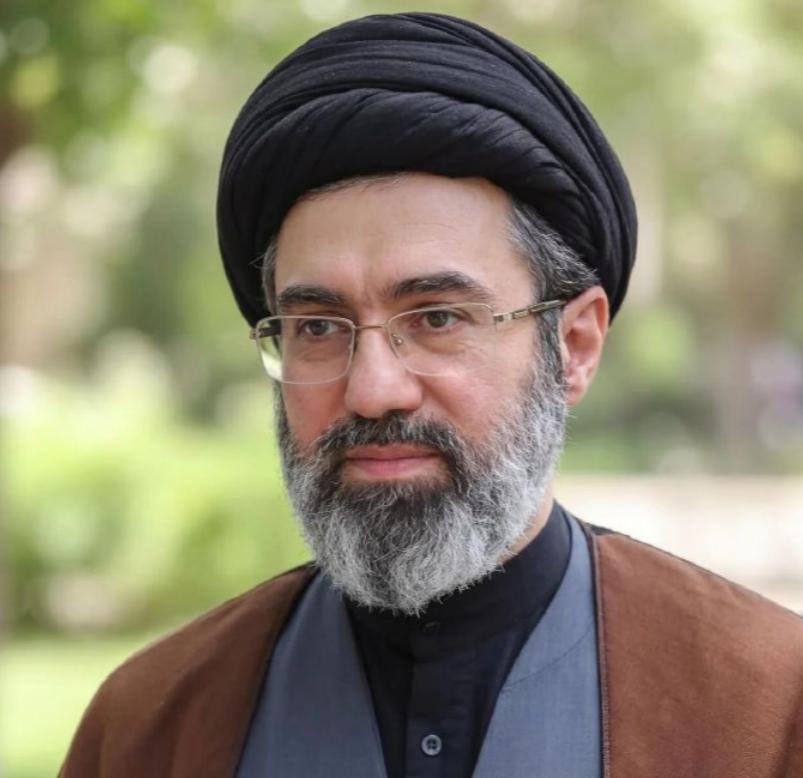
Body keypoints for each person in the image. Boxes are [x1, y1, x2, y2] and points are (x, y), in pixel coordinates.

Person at [61, 12, 803, 778]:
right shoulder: (150, 728)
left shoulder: (767, 706)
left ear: (574, 346)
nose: (372, 390)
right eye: (318, 327)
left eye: (437, 318)